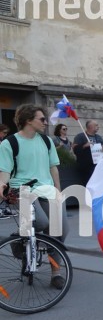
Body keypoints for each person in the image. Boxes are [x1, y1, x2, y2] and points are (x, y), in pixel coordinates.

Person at [0, 105, 69, 288]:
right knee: (41, 222)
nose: (46, 123)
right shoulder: (10, 143)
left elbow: (53, 167)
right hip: (22, 189)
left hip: (47, 189)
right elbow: (5, 170)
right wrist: (2, 184)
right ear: (28, 120)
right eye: (42, 119)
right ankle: (20, 239)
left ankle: (56, 274)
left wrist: (58, 191)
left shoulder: (46, 141)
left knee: (60, 231)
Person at [72, 119, 103, 186]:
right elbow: (74, 149)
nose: (98, 127)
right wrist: (84, 145)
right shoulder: (80, 136)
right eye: (96, 125)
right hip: (85, 167)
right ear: (90, 126)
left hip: (97, 165)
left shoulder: (98, 137)